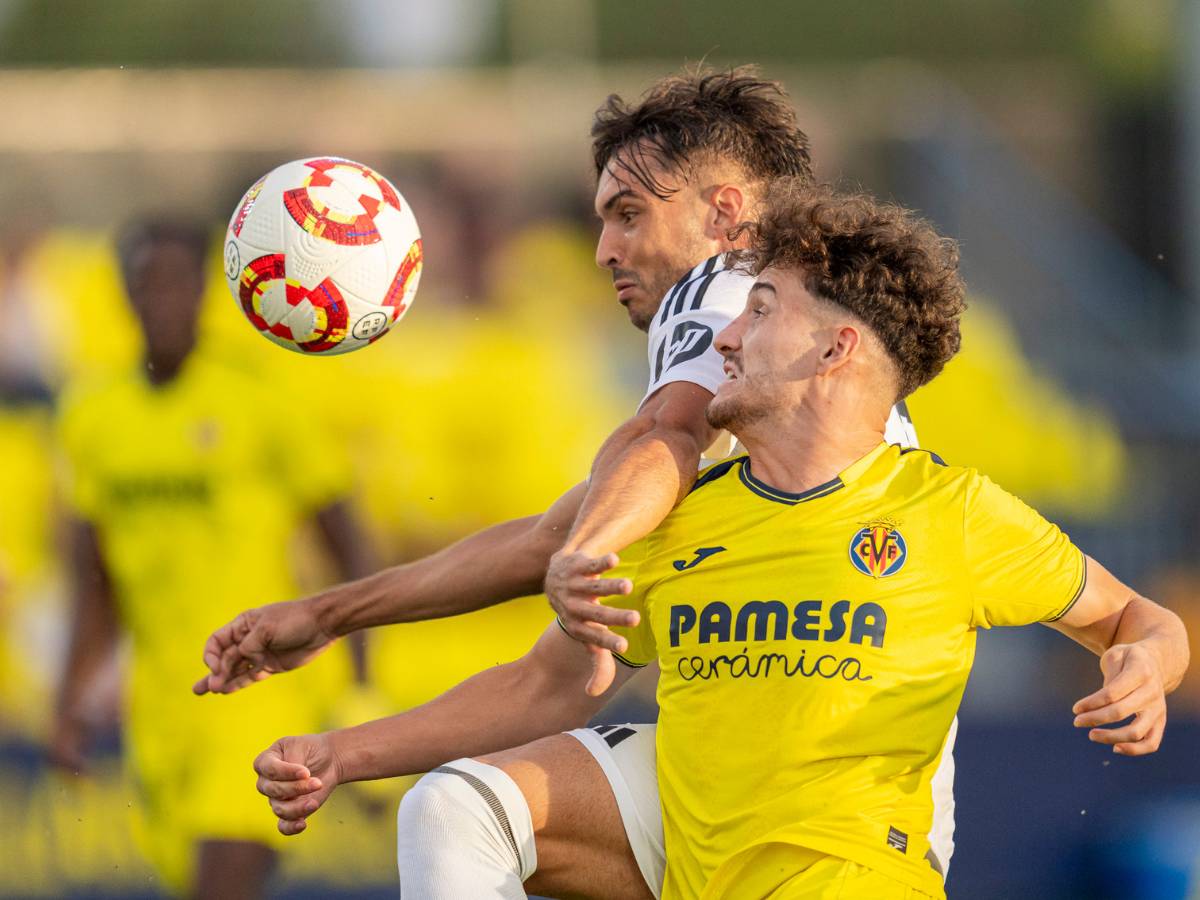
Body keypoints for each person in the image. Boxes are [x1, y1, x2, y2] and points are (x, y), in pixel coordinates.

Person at [250, 181, 1190, 899]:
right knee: (451, 809)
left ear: (836, 351)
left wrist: (1146, 664)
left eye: (761, 309)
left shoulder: (951, 511)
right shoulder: (683, 519)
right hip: (705, 875)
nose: (727, 337)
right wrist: (346, 754)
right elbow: (542, 685)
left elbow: (1142, 620)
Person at [196, 68, 950, 896]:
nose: (604, 251)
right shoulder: (723, 472)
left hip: (839, 813)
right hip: (724, 788)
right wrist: (330, 646)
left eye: (629, 215)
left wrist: (584, 547)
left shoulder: (727, 291)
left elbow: (655, 445)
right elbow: (548, 644)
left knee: (459, 813)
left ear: (726, 214)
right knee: (455, 810)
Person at [52, 219, 375, 899]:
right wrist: (69, 697)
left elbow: (347, 546)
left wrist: (361, 685)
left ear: (205, 290)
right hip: (161, 705)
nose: (164, 299)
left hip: (258, 689)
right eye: (148, 283)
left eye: (179, 282)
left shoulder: (260, 401)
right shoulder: (92, 416)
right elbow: (95, 579)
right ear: (124, 295)